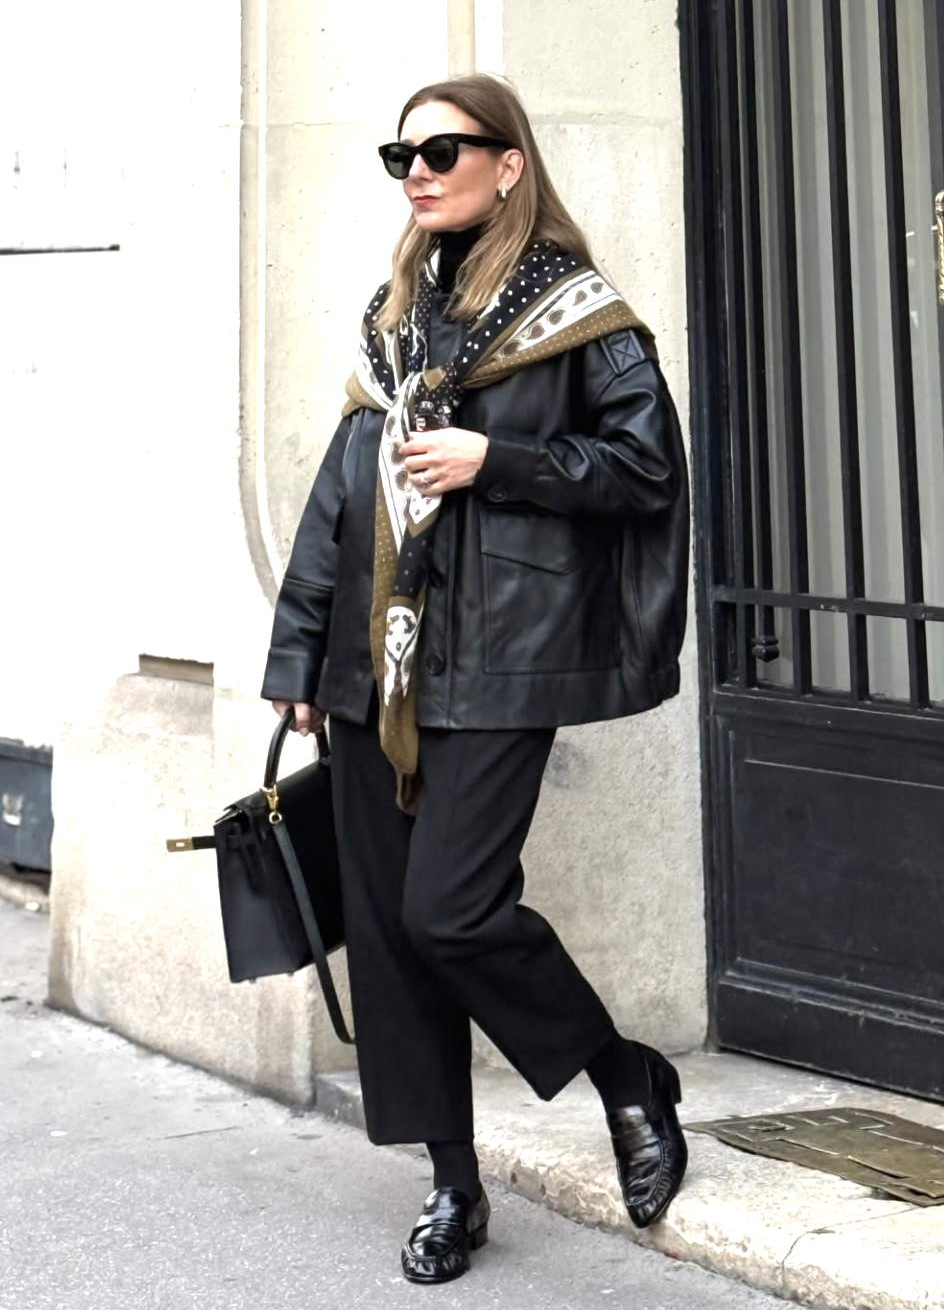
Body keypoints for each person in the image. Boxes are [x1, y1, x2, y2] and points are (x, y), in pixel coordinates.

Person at [262, 72, 690, 1285]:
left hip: (505, 655)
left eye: (443, 148)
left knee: (450, 911)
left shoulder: (577, 311)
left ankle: (624, 1079)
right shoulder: (393, 315)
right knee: (393, 938)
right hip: (372, 667)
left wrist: (494, 458)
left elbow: (642, 470)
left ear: (508, 164)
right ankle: (452, 1183)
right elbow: (340, 495)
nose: (418, 170)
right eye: (399, 154)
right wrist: (300, 659)